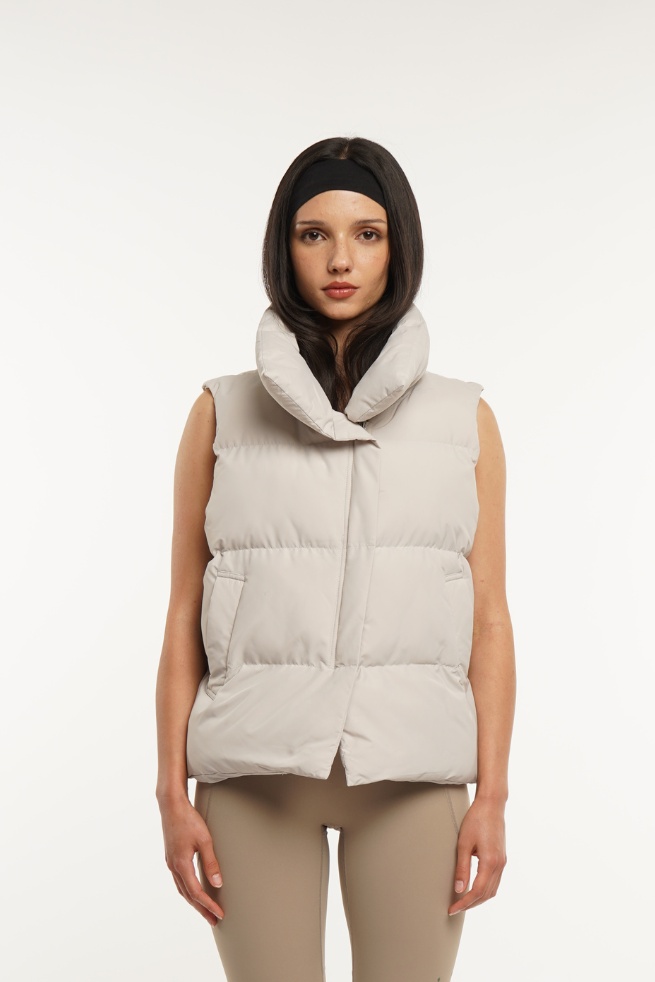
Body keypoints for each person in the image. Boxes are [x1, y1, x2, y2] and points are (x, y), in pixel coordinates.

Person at [155, 136, 516, 982]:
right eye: (312, 234)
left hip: (411, 778)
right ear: (283, 249)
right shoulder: (221, 412)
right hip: (251, 779)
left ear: (399, 247)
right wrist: (170, 792)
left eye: (368, 234)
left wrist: (493, 797)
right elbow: (182, 612)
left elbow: (489, 619)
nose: (340, 259)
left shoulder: (464, 419)